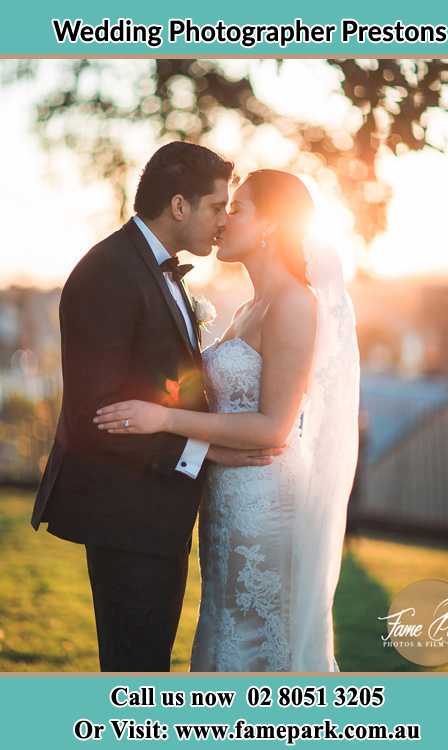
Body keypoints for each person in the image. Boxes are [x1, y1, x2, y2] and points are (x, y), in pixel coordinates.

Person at [93, 169, 361, 671]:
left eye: (235, 209)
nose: (222, 219)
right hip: (224, 502)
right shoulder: (247, 310)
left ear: (270, 227)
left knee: (258, 645)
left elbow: (272, 428)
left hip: (265, 503)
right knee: (223, 635)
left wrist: (162, 419)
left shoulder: (293, 305)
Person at [30, 142, 283, 672]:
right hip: (125, 512)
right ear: (178, 206)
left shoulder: (152, 268)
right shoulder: (110, 273)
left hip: (154, 513)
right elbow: (96, 415)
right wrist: (202, 452)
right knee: (135, 670)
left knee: (146, 663)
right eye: (217, 207)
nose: (221, 221)